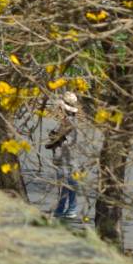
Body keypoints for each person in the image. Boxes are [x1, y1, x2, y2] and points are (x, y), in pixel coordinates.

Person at [46, 91, 82, 219]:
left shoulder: (67, 122)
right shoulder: (71, 121)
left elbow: (54, 137)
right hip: (71, 157)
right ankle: (70, 208)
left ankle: (62, 209)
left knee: (63, 184)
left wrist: (49, 142)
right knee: (71, 183)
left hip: (64, 157)